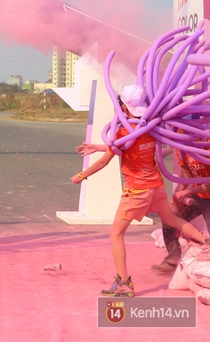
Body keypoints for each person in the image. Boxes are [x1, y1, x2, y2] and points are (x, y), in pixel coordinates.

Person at [71, 85, 210, 297]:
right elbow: (121, 146)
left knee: (115, 233)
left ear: (123, 108)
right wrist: (99, 146)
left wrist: (81, 176)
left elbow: (105, 160)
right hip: (156, 186)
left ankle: (123, 283)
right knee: (172, 220)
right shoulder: (150, 128)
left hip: (137, 190)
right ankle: (205, 243)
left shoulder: (123, 131)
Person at [150, 137, 210, 274]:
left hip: (204, 194)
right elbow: (186, 174)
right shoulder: (181, 148)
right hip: (199, 195)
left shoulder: (207, 144)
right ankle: (172, 261)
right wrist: (177, 195)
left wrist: (189, 191)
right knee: (169, 221)